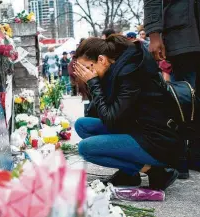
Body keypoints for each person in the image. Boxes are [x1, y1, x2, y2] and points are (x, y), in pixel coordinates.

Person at [73, 35, 182, 190]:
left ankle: (158, 172)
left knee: (86, 148)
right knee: (83, 125)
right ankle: (129, 173)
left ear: (102, 60)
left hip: (158, 141)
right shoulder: (116, 69)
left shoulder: (130, 73)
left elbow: (110, 119)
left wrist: (93, 82)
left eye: (88, 67)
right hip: (137, 128)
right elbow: (101, 114)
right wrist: (93, 84)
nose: (86, 74)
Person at [144, 0, 200, 178]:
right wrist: (154, 34)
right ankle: (179, 156)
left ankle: (194, 154)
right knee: (182, 98)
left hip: (184, 28)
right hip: (183, 31)